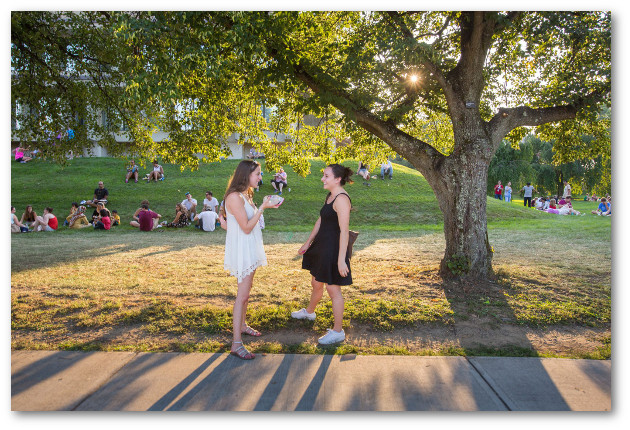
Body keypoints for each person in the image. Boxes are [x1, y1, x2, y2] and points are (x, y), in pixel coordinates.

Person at [219, 159, 281, 360]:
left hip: (250, 247)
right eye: (258, 174)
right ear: (246, 175)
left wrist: (263, 206)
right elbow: (245, 227)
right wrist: (263, 207)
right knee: (242, 296)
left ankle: (243, 326)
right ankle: (236, 343)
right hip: (242, 250)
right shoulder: (234, 197)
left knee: (247, 292)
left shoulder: (246, 195)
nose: (260, 178)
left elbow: (234, 225)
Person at [293, 163, 354, 345]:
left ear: (337, 179)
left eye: (326, 176)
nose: (322, 179)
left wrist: (341, 260)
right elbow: (320, 220)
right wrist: (308, 242)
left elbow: (344, 231)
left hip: (334, 249)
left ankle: (338, 331)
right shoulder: (331, 196)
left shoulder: (342, 199)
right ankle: (310, 312)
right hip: (322, 246)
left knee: (333, 289)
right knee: (316, 282)